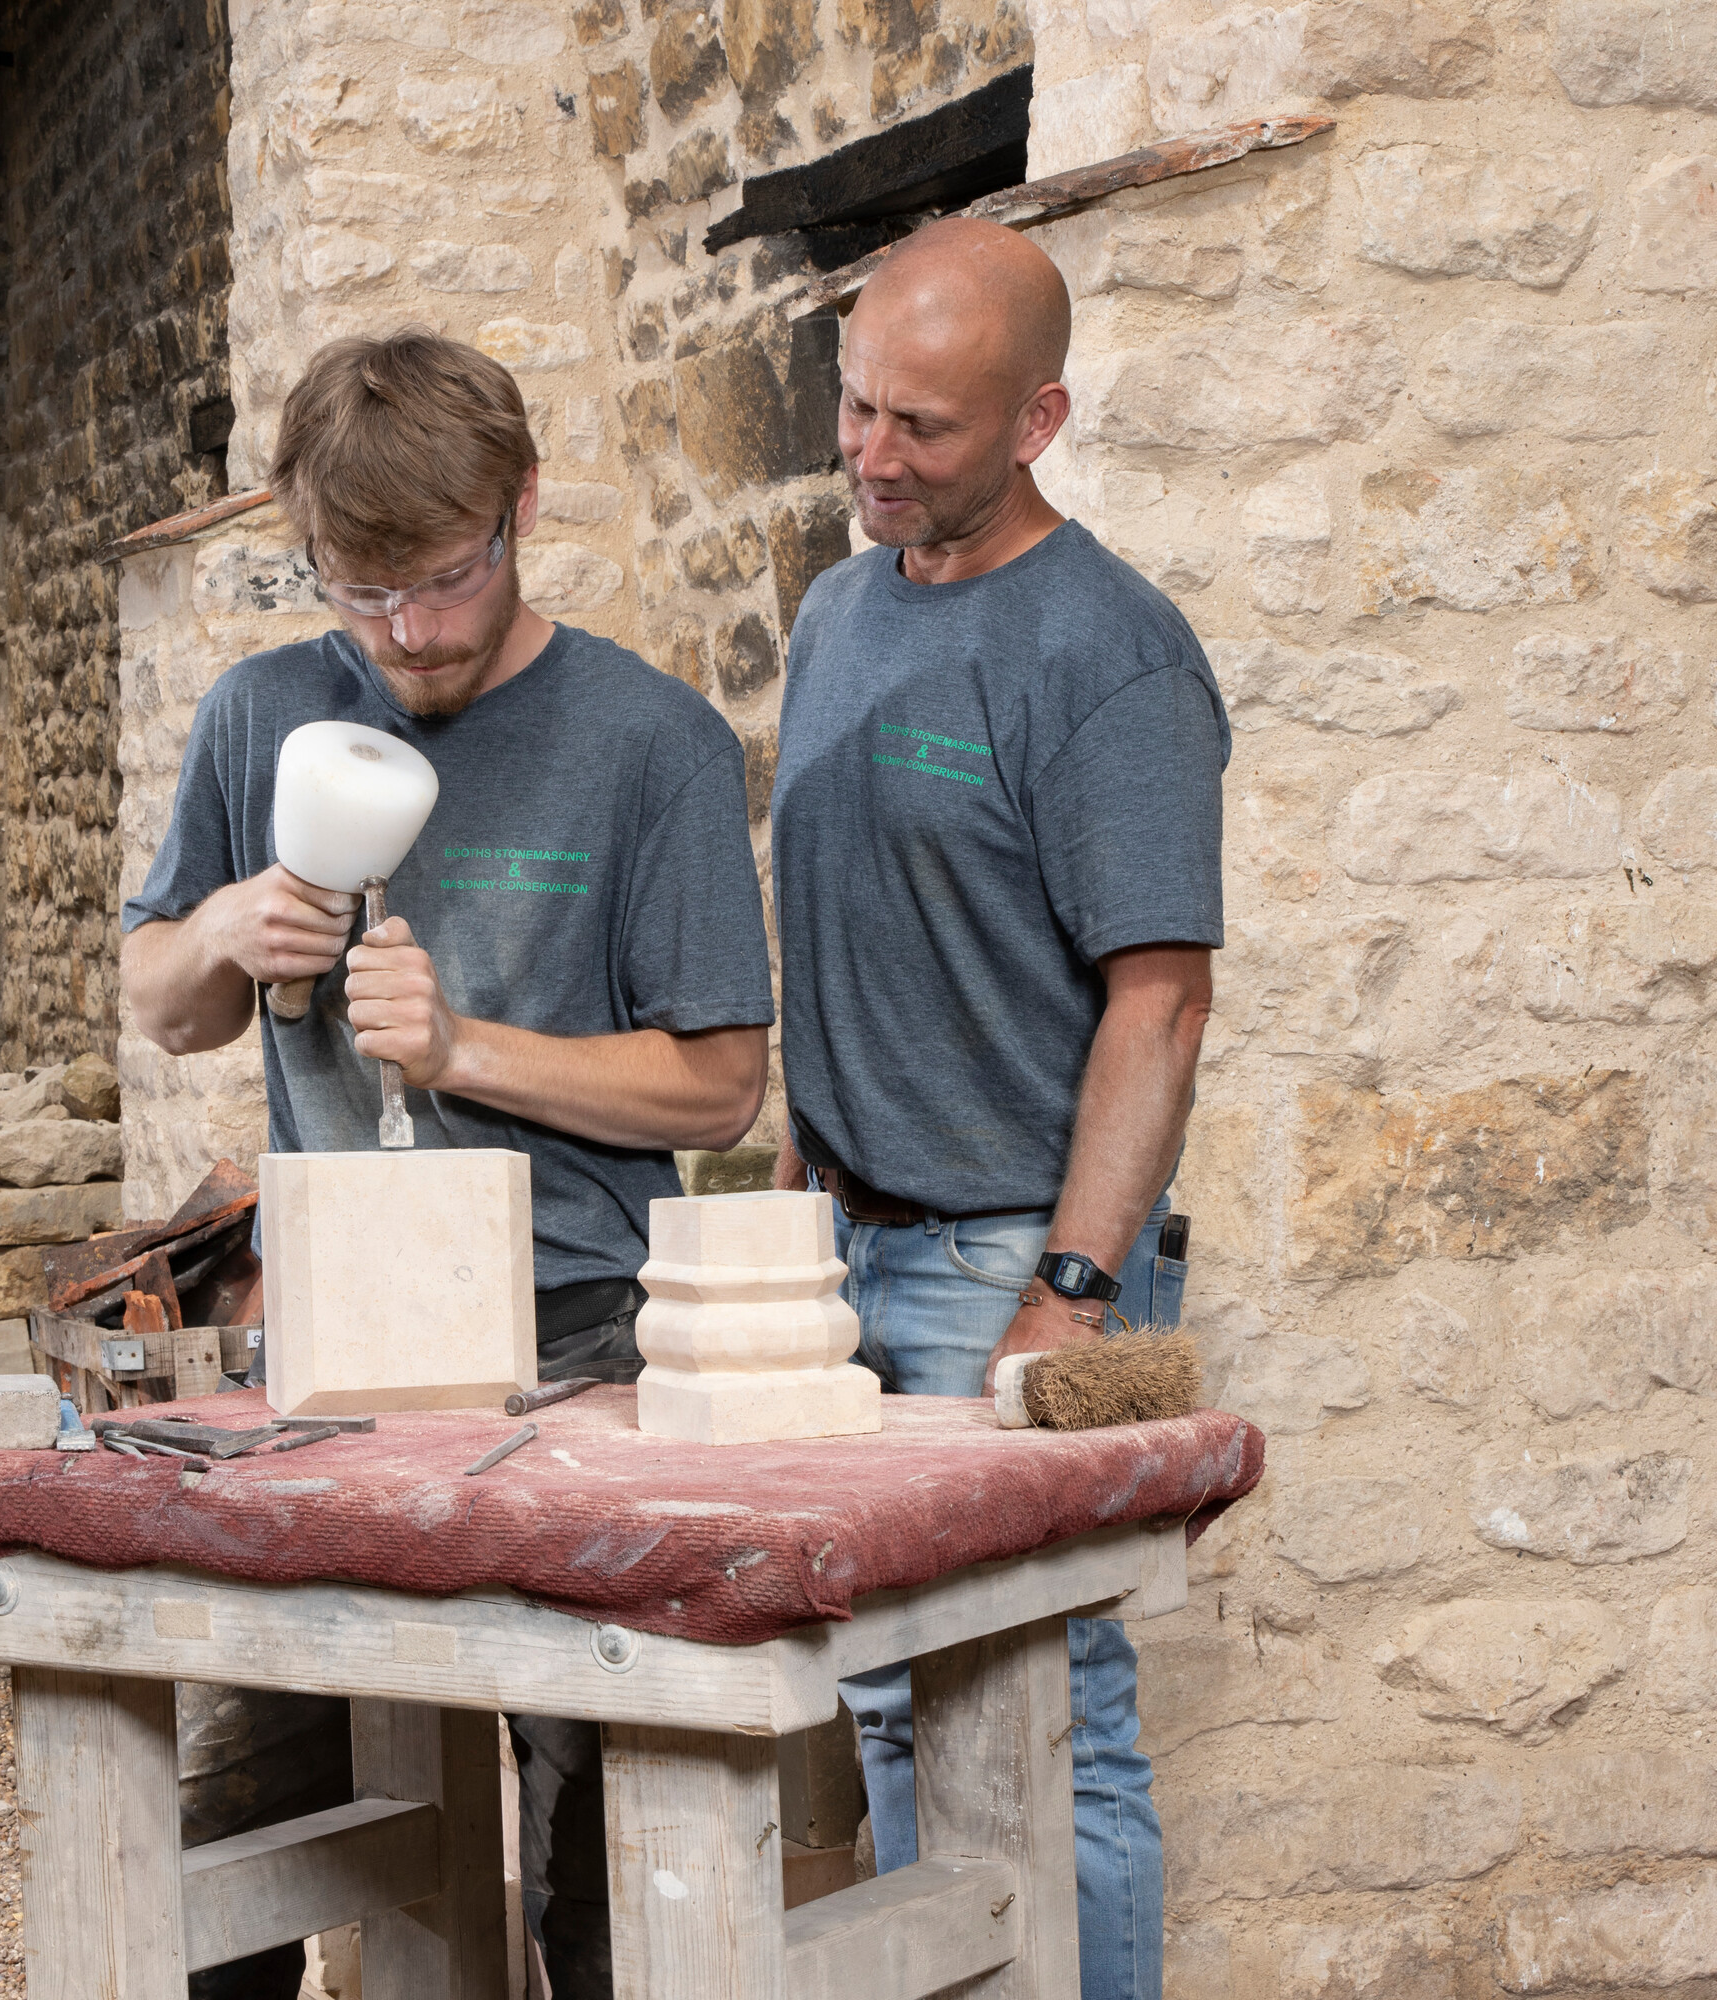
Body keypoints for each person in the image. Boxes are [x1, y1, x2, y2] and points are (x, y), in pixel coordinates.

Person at [121, 330, 774, 1999]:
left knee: (607, 1864)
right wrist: (223, 928)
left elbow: (719, 1088)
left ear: (522, 507)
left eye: (443, 580)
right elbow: (164, 1005)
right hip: (331, 1356)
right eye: (362, 593)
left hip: (583, 1345)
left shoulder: (651, 741)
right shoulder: (264, 713)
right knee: (236, 1840)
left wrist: (465, 1047)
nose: (409, 632)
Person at [770, 215, 1229, 2000]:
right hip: (846, 1245)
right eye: (856, 407)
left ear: (1038, 422)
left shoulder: (1111, 655)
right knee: (891, 1697)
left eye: (925, 426)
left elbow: (1161, 1003)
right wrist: (796, 1205)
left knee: (1054, 1716)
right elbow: (857, 934)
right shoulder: (835, 610)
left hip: (1014, 1262)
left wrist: (1072, 1295)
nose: (873, 455)